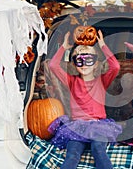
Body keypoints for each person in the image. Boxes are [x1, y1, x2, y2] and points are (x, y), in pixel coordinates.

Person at [48, 29, 122, 169]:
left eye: (89, 60)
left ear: (95, 64)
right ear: (75, 64)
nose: (84, 64)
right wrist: (64, 46)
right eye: (79, 60)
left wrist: (102, 46)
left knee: (98, 149)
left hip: (99, 125)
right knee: (72, 155)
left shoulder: (102, 81)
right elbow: (53, 66)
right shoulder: (71, 81)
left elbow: (115, 66)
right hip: (77, 126)